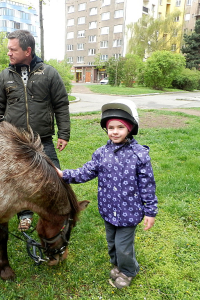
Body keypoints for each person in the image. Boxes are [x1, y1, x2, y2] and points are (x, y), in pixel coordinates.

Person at [56, 99, 158, 289]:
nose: (115, 131)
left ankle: (129, 270)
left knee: (123, 247)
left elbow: (147, 186)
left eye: (120, 127)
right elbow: (86, 172)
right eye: (111, 127)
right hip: (108, 209)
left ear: (130, 128)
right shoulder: (101, 153)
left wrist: (150, 212)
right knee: (112, 243)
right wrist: (64, 175)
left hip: (129, 213)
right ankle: (118, 265)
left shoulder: (139, 155)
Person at [0, 29, 71, 231]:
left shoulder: (49, 73)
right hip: (16, 142)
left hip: (43, 139)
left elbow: (61, 104)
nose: (8, 53)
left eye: (13, 49)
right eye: (8, 49)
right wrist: (1, 135)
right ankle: (24, 215)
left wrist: (63, 134)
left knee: (55, 177)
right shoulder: (5, 76)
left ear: (28, 51)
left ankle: (58, 213)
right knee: (19, 180)